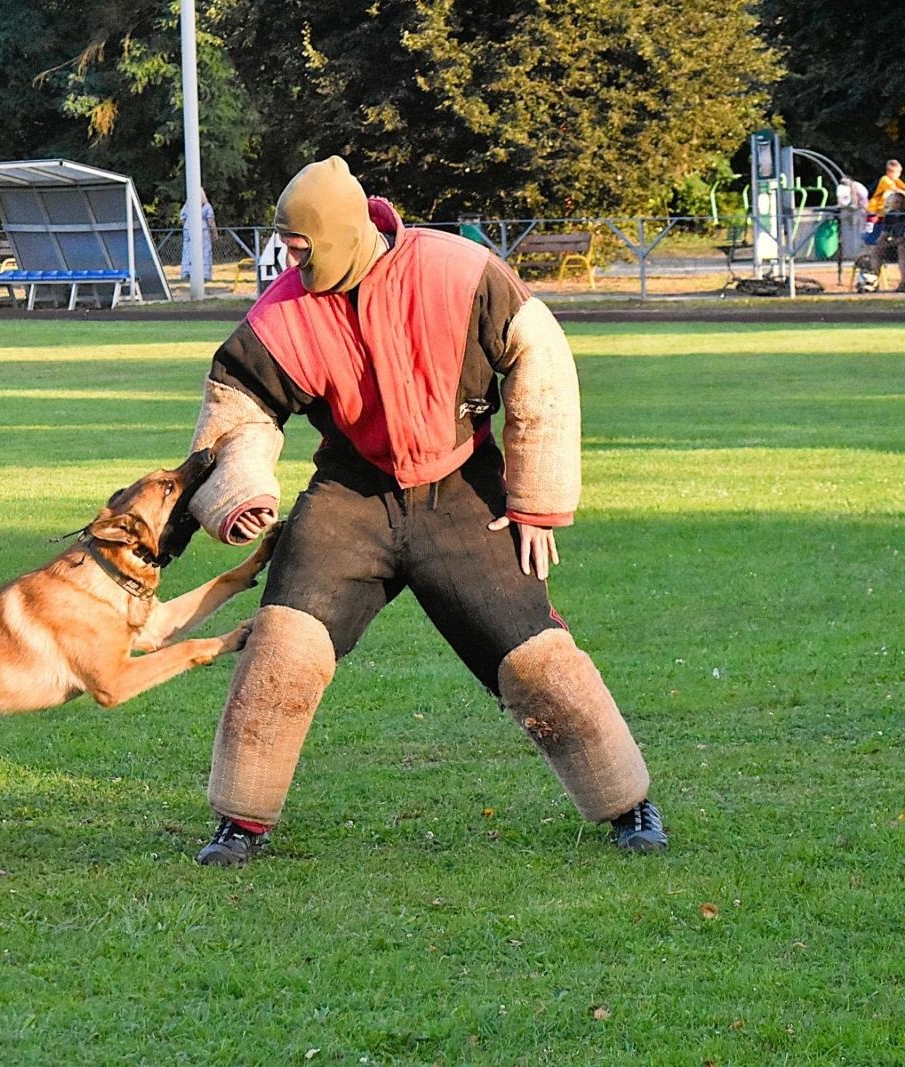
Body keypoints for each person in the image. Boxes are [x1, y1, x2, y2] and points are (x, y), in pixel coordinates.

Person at [182, 156, 666, 867]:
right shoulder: (283, 311)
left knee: (540, 661)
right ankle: (240, 822)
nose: (286, 257)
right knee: (283, 645)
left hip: (464, 490)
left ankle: (629, 805)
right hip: (351, 495)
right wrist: (242, 489)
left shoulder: (458, 270)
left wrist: (535, 500)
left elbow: (542, 357)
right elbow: (242, 406)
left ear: (339, 232)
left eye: (297, 242)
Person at [180, 189, 218, 284]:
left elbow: (182, 219)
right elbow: (210, 221)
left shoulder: (187, 206)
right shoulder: (206, 206)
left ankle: (186, 271)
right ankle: (205, 274)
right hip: (202, 230)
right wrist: (214, 233)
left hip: (188, 229)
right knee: (205, 251)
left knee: (187, 250)